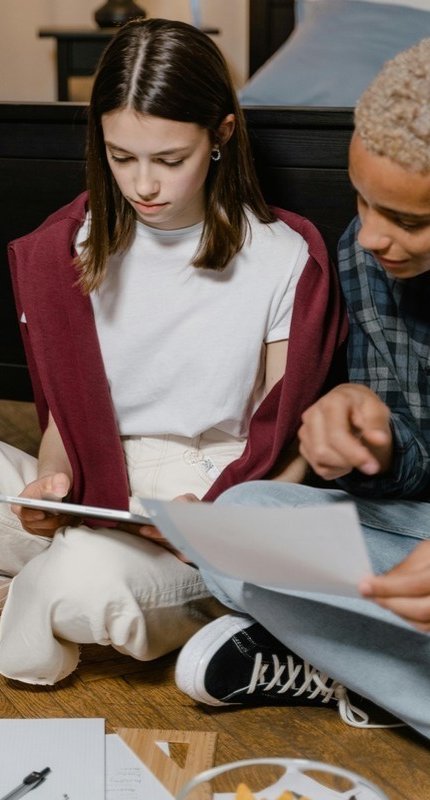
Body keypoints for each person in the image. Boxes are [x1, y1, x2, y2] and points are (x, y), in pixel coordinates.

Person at [0, 19, 345, 685]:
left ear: (221, 134)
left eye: (169, 160)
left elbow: (295, 445)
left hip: (201, 528)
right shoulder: (67, 246)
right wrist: (49, 490)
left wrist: (221, 527)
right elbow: (63, 424)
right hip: (93, 498)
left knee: (82, 582)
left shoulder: (284, 258)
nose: (144, 186)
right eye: (120, 156)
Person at [173, 37, 430, 740]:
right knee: (241, 526)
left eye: (410, 220)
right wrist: (373, 433)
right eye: (363, 201)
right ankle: (371, 668)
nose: (373, 236)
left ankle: (352, 662)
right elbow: (416, 464)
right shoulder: (369, 257)